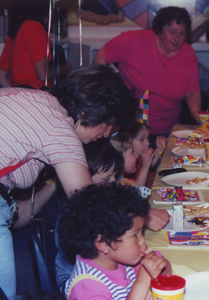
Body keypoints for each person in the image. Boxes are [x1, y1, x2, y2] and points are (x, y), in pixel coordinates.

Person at [0, 64, 138, 300]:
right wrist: (140, 215)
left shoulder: (39, 101)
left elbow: (15, 215)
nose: (106, 133)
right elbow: (89, 209)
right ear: (88, 112)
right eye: (107, 122)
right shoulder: (59, 127)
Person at [94, 6, 201, 148]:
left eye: (182, 33)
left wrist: (198, 114)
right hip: (132, 130)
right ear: (159, 29)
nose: (177, 39)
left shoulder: (188, 54)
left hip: (168, 131)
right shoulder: (133, 41)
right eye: (172, 32)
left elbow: (192, 92)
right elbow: (101, 58)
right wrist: (110, 94)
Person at [58, 183, 171, 299]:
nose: (143, 240)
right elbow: (143, 283)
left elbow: (164, 265)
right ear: (103, 243)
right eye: (135, 235)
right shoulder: (89, 288)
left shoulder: (122, 257)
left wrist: (157, 272)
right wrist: (142, 282)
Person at [55, 140, 124, 293]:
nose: (113, 183)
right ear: (83, 178)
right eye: (107, 179)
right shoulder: (73, 214)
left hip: (100, 266)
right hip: (74, 279)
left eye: (115, 176)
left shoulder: (103, 200)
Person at [0, 0, 71, 89]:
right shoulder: (34, 27)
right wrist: (66, 67)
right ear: (40, 9)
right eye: (49, 9)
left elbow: (2, 77)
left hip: (22, 93)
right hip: (38, 91)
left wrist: (18, 94)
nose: (51, 13)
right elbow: (43, 75)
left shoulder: (15, 31)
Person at [126, 122, 167, 186]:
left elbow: (149, 165)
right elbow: (136, 190)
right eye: (141, 139)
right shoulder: (127, 162)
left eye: (147, 138)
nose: (148, 143)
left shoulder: (138, 156)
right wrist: (145, 167)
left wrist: (159, 150)